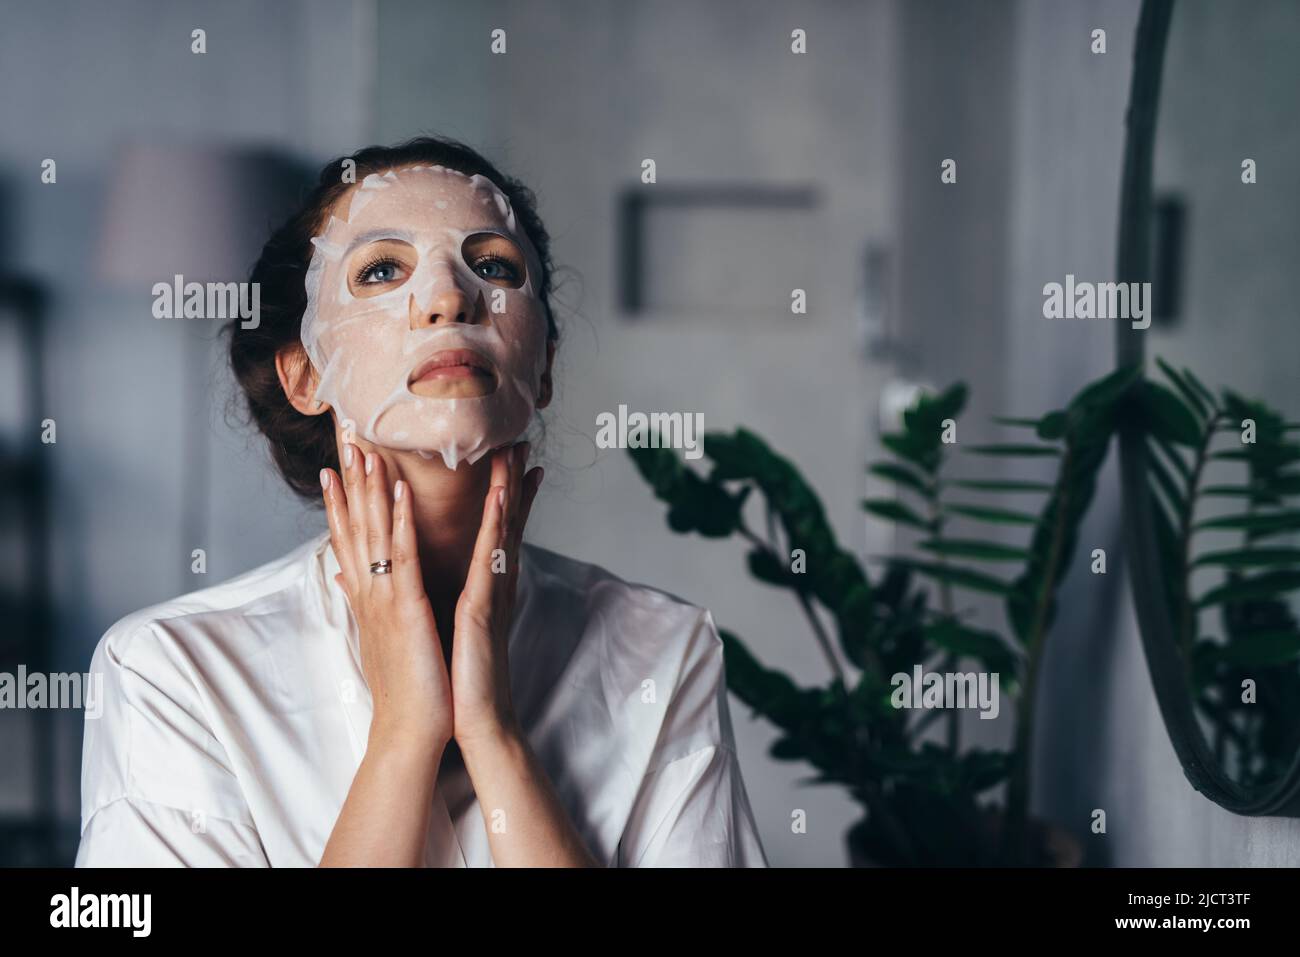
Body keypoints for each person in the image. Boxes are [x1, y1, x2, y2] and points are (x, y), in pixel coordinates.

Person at [74, 135, 768, 867]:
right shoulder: (171, 671)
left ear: (545, 364)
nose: (448, 296)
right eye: (380, 269)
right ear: (305, 376)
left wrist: (495, 732)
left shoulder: (665, 650)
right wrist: (404, 732)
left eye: (494, 265)